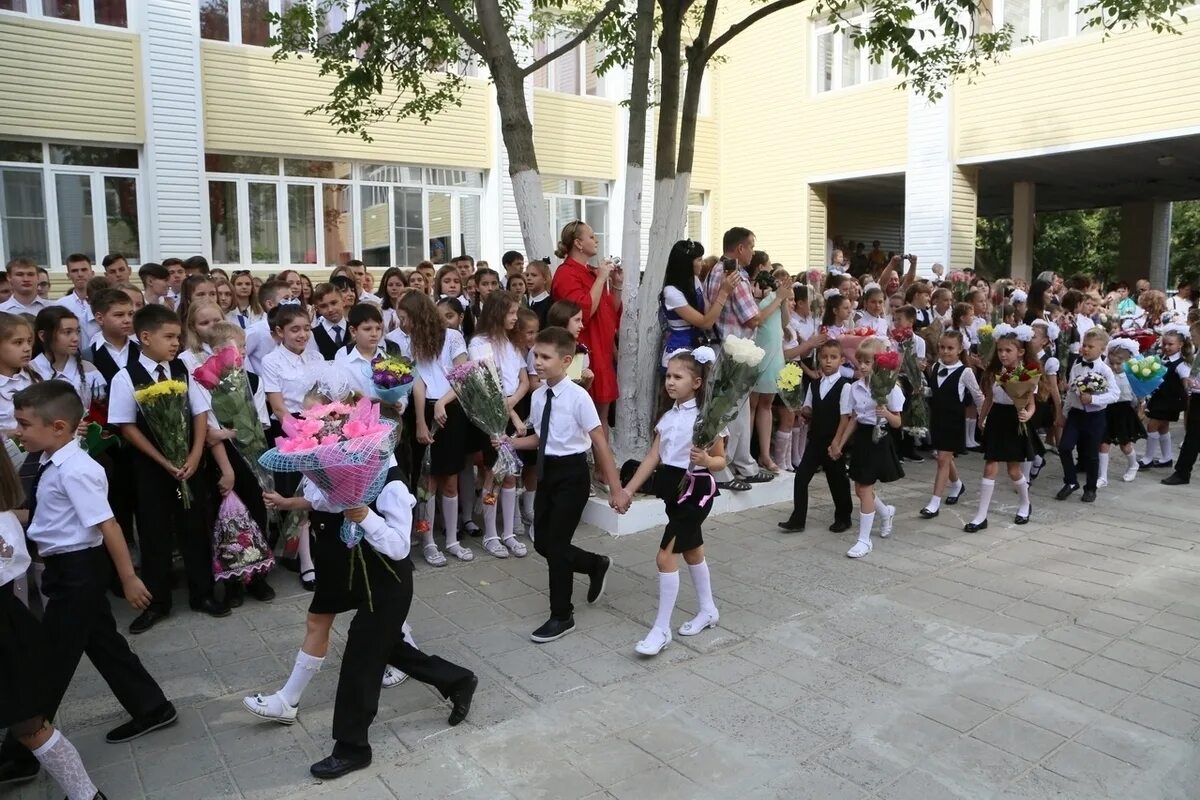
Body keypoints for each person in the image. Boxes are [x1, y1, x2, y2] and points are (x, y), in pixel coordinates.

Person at [248, 453, 477, 780]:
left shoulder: (392, 484)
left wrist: (366, 516)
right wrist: (288, 503)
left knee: (360, 659)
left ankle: (352, 748)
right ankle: (458, 680)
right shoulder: (352, 474)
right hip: (361, 576)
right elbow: (325, 501)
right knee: (386, 648)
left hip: (390, 583)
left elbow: (399, 548)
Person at [0, 382, 177, 783]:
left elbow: (108, 525)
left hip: (79, 571)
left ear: (59, 427)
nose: (18, 431)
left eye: (24, 424)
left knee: (50, 661)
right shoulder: (51, 461)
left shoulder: (77, 470)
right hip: (68, 569)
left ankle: (23, 751)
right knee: (101, 641)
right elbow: (48, 516)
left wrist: (129, 578)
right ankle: (152, 707)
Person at [108, 304, 227, 633]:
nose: (176, 343)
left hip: (188, 465)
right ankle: (157, 601)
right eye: (169, 337)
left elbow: (199, 412)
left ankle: (202, 593)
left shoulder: (182, 371)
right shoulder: (126, 377)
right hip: (150, 468)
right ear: (145, 337)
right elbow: (126, 426)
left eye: (177, 337)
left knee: (194, 526)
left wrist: (192, 453)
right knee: (154, 532)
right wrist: (163, 460)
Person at [0, 444, 109, 798]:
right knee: (30, 723)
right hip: (10, 620)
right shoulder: (6, 516)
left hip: (7, 624)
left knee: (29, 722)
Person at [506, 327, 626, 643]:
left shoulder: (578, 397)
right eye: (535, 356)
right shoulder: (537, 396)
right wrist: (510, 443)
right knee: (543, 543)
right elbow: (541, 437)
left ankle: (562, 615)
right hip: (548, 474)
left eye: (546, 357)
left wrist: (616, 489)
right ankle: (595, 564)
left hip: (572, 475)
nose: (539, 363)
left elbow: (599, 442)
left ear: (566, 360)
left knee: (557, 547)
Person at [618, 349, 724, 656]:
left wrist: (706, 458)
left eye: (678, 377)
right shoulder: (667, 417)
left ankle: (661, 629)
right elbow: (653, 457)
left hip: (697, 492)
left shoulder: (709, 418)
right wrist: (627, 490)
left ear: (697, 382)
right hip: (672, 491)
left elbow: (720, 460)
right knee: (692, 551)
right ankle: (708, 610)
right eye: (668, 376)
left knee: (665, 556)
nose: (670, 382)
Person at [404, 291, 471, 567]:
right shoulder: (412, 343)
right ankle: (429, 541)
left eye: (404, 317)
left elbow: (463, 373)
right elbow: (417, 382)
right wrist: (420, 419)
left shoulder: (452, 337)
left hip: (452, 407)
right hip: (426, 408)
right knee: (427, 481)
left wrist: (443, 401)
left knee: (451, 479)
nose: (402, 323)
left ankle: (453, 539)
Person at [261, 305, 325, 591]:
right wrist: (300, 434)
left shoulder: (316, 356)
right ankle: (306, 560)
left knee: (320, 492)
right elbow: (277, 405)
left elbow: (325, 393)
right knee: (299, 493)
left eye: (306, 328)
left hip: (320, 426)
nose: (302, 335)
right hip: (292, 430)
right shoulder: (272, 361)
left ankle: (322, 549)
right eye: (294, 329)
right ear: (279, 332)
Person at [704, 227, 771, 490]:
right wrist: (776, 300)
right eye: (751, 247)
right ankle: (730, 466)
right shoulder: (734, 275)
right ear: (740, 248)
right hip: (734, 350)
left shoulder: (715, 272)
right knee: (733, 412)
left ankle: (742, 463)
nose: (753, 252)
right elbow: (752, 317)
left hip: (723, 346)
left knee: (733, 409)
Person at [468, 290, 530, 559]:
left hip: (510, 409)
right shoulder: (480, 343)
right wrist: (505, 411)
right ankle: (491, 534)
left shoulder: (513, 343)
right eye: (512, 313)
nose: (516, 318)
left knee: (511, 476)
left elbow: (524, 381)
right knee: (493, 474)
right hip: (490, 416)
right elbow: (486, 384)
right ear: (496, 313)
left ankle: (509, 533)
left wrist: (512, 404)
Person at [828, 339, 903, 558]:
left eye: (867, 362)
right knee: (860, 489)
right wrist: (839, 444)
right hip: (862, 438)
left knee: (865, 489)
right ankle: (885, 512)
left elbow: (898, 422)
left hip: (879, 438)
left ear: (878, 362)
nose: (861, 366)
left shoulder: (891, 388)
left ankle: (864, 540)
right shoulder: (855, 387)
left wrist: (886, 413)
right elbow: (854, 419)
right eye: (859, 361)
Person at [963, 325, 1036, 532]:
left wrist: (1027, 414)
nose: (1003, 354)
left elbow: (1031, 404)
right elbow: (989, 398)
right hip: (997, 419)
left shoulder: (1027, 373)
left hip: (1014, 420)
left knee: (1013, 470)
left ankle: (1025, 503)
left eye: (1008, 351)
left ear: (1020, 352)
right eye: (1000, 350)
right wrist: (982, 417)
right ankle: (981, 515)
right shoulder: (995, 372)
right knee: (989, 466)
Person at [778, 339, 853, 534]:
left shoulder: (845, 386)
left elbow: (845, 418)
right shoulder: (814, 384)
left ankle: (843, 516)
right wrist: (800, 410)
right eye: (824, 357)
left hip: (832, 440)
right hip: (815, 440)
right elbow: (809, 409)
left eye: (833, 357)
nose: (828, 361)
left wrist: (837, 443)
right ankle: (798, 518)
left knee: (837, 481)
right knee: (801, 478)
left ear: (841, 360)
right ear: (819, 359)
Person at [918, 330, 982, 518]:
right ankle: (957, 485)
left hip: (953, 422)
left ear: (960, 349)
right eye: (942, 347)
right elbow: (935, 391)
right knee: (945, 457)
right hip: (937, 419)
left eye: (950, 348)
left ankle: (934, 502)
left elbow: (978, 396)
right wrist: (922, 390)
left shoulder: (965, 372)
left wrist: (984, 418)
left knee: (943, 458)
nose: (945, 351)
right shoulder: (936, 366)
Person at [1056, 327, 1120, 502]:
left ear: (1102, 349)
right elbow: (1070, 393)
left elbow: (1115, 394)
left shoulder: (1105, 370)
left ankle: (1090, 488)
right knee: (1064, 447)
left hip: (1095, 417)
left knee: (1092, 453)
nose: (1085, 349)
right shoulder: (1076, 367)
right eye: (1084, 345)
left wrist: (1093, 399)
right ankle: (1070, 481)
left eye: (1090, 346)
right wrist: (1063, 413)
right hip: (1076, 415)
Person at [658, 239, 734, 366]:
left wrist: (722, 287)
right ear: (686, 264)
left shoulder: (695, 280)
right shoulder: (671, 292)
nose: (703, 263)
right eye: (699, 260)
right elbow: (705, 323)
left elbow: (709, 313)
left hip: (697, 347)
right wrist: (723, 293)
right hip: (678, 353)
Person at [29, 307, 106, 406]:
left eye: (77, 331)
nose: (75, 338)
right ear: (43, 336)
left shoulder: (89, 369)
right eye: (67, 332)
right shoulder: (30, 371)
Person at [1141, 325, 1192, 469]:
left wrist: (1188, 390)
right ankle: (1167, 458)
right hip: (1160, 398)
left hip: (1170, 400)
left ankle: (1148, 458)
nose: (1167, 347)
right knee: (1163, 427)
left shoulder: (1181, 364)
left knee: (1152, 425)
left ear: (1180, 345)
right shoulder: (1163, 359)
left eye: (1171, 344)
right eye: (1164, 344)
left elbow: (1186, 381)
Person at [1098, 337, 1145, 486]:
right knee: (1103, 442)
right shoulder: (1106, 373)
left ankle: (1133, 464)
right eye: (1112, 363)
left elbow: (1138, 396)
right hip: (1107, 409)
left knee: (1125, 444)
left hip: (1124, 411)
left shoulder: (1131, 376)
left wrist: (1140, 404)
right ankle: (1102, 476)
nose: (1115, 366)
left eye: (1119, 363)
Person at [56, 254, 98, 346]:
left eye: (84, 270)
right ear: (68, 275)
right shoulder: (60, 305)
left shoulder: (102, 302)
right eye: (74, 271)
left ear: (92, 273)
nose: (80, 274)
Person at [311, 283, 351, 360]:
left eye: (333, 303)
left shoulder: (356, 329)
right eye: (323, 306)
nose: (330, 309)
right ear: (317, 309)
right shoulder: (313, 335)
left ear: (343, 301)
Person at [525, 260, 553, 329]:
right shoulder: (524, 301)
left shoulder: (550, 304)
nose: (529, 278)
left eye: (534, 275)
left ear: (545, 279)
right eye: (527, 275)